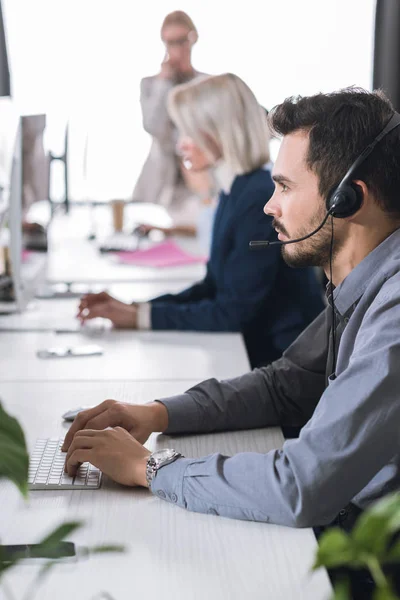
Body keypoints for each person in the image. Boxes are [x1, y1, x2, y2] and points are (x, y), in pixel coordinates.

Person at [77, 73, 324, 368]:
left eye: (187, 132)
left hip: (284, 361)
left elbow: (232, 311)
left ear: (218, 132)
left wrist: (140, 318)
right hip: (257, 353)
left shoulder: (256, 198)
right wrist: (134, 308)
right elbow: (213, 286)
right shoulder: (235, 189)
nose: (181, 145)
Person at [133, 10, 213, 231]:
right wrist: (163, 83)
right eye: (169, 42)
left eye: (180, 41)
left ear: (193, 38)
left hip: (199, 182)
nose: (176, 49)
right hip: (162, 186)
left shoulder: (207, 84)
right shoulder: (151, 84)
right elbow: (153, 127)